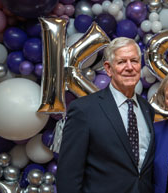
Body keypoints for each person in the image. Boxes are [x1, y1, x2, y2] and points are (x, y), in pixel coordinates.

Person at [56, 37, 155, 193]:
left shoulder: (147, 110)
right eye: (122, 62)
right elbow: (68, 174)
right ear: (108, 69)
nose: (129, 67)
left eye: (134, 61)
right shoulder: (84, 110)